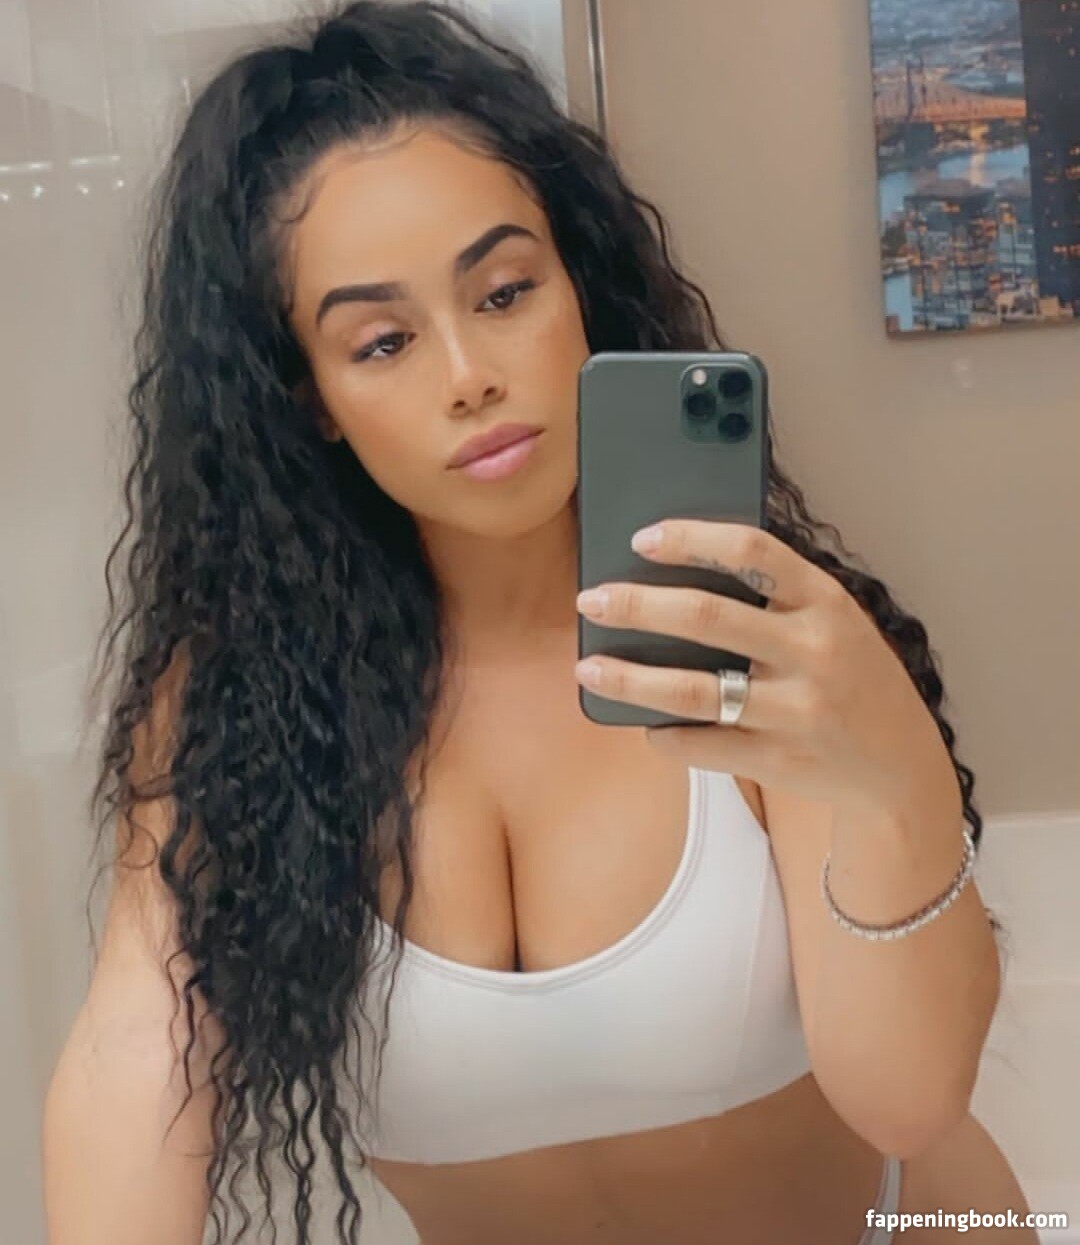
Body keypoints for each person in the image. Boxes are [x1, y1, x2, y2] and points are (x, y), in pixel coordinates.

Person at [41, 3, 1040, 1243]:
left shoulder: (749, 628)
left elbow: (910, 1099)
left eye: (506, 290)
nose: (470, 373)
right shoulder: (238, 712)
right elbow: (134, 1058)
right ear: (310, 401)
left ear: (579, 290)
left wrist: (890, 763)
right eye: (383, 341)